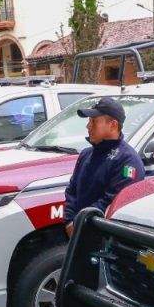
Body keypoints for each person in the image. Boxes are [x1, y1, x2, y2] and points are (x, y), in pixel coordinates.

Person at [63, 97, 144, 237]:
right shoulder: (86, 154)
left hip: (107, 239)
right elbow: (72, 191)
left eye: (94, 121)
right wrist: (70, 221)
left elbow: (113, 201)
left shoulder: (127, 160)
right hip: (79, 233)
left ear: (113, 125)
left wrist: (80, 223)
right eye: (89, 121)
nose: (88, 126)